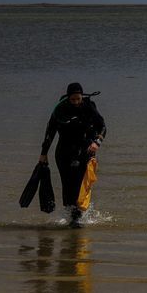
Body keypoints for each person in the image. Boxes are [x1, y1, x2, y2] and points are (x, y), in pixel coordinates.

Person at [39, 81, 106, 225]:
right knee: (67, 185)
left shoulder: (89, 107)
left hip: (85, 150)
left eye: (78, 99)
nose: (76, 102)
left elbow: (103, 126)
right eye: (73, 99)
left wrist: (96, 143)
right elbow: (50, 132)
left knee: (79, 184)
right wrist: (44, 153)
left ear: (82, 96)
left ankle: (77, 217)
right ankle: (71, 217)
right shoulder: (60, 109)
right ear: (68, 98)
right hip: (64, 152)